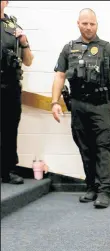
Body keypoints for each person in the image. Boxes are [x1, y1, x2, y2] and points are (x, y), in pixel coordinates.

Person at [51, 8, 110, 208]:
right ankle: (91, 187)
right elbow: (59, 75)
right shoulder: (69, 48)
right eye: (85, 23)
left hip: (102, 105)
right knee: (85, 147)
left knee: (103, 147)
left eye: (92, 23)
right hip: (78, 105)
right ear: (78, 23)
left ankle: (104, 191)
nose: (89, 27)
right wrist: (54, 102)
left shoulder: (106, 48)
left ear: (97, 24)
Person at [1, 0, 34, 184]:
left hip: (10, 86)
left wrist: (24, 43)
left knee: (9, 129)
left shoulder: (14, 27)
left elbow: (28, 61)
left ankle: (8, 170)